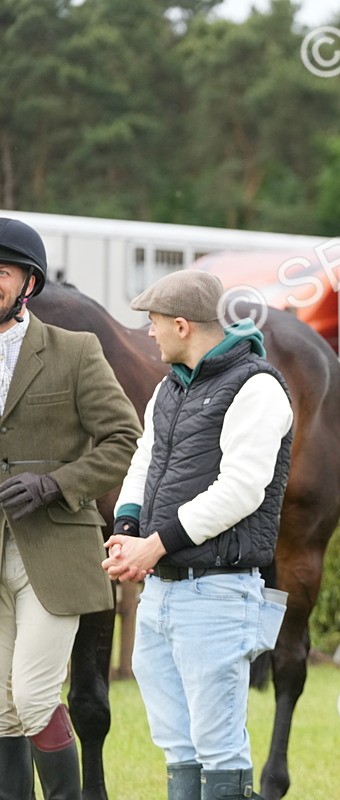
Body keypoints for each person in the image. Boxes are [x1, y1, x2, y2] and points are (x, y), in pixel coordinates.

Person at [101, 270, 292, 800]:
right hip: (161, 593)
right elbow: (145, 460)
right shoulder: (168, 388)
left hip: (218, 594)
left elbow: (242, 490)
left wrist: (154, 544)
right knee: (177, 747)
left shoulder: (257, 388)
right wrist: (126, 530)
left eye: (154, 324)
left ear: (182, 325)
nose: (149, 334)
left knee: (220, 748)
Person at [0, 218, 140, 800]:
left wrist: (55, 484)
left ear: (27, 283)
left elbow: (123, 439)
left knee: (32, 696)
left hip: (54, 552)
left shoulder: (74, 351)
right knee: (1, 709)